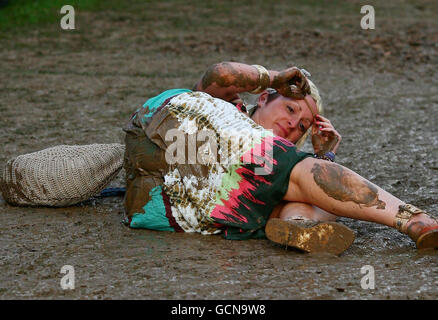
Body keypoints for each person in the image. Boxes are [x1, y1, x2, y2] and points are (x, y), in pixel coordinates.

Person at [122, 61, 438, 255]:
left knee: (282, 195)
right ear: (262, 99)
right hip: (171, 120)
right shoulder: (228, 108)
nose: (292, 123)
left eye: (302, 126)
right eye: (290, 108)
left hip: (162, 208)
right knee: (292, 173)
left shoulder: (255, 172)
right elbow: (220, 73)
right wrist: (275, 77)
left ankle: (299, 226)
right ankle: (415, 220)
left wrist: (322, 154)